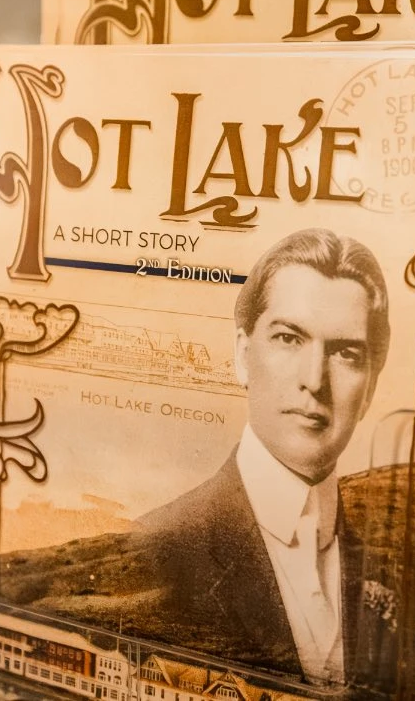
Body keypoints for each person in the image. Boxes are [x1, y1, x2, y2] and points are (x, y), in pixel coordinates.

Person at [137, 228, 392, 688]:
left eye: (346, 354)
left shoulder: (387, 568)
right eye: (289, 338)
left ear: (371, 386)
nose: (314, 380)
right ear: (241, 354)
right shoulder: (157, 548)